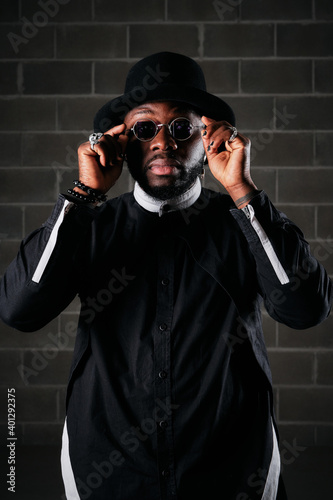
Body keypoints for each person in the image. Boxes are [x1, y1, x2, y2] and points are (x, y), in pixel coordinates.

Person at [0, 52, 331, 500]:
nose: (163, 141)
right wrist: (82, 196)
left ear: (208, 137)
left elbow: (305, 308)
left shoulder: (244, 222)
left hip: (231, 472)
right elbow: (19, 308)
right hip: (108, 470)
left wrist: (242, 190)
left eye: (181, 127)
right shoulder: (89, 224)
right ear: (122, 141)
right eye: (144, 128)